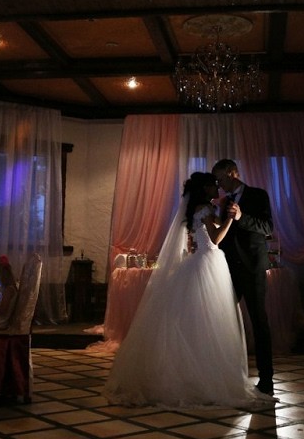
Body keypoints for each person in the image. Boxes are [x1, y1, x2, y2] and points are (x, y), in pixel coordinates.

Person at [104, 172, 274, 408]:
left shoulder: (202, 207)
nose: (218, 188)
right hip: (210, 262)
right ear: (205, 189)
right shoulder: (204, 208)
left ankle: (208, 373)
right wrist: (229, 219)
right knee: (212, 321)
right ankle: (207, 377)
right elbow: (216, 239)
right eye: (214, 185)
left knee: (206, 321)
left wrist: (231, 216)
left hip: (209, 262)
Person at [212, 159, 275, 395]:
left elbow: (267, 228)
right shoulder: (224, 201)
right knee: (222, 320)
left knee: (259, 321)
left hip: (252, 268)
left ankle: (266, 380)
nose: (219, 185)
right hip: (228, 269)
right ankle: (227, 375)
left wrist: (242, 217)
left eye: (220, 179)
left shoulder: (258, 195)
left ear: (232, 173)